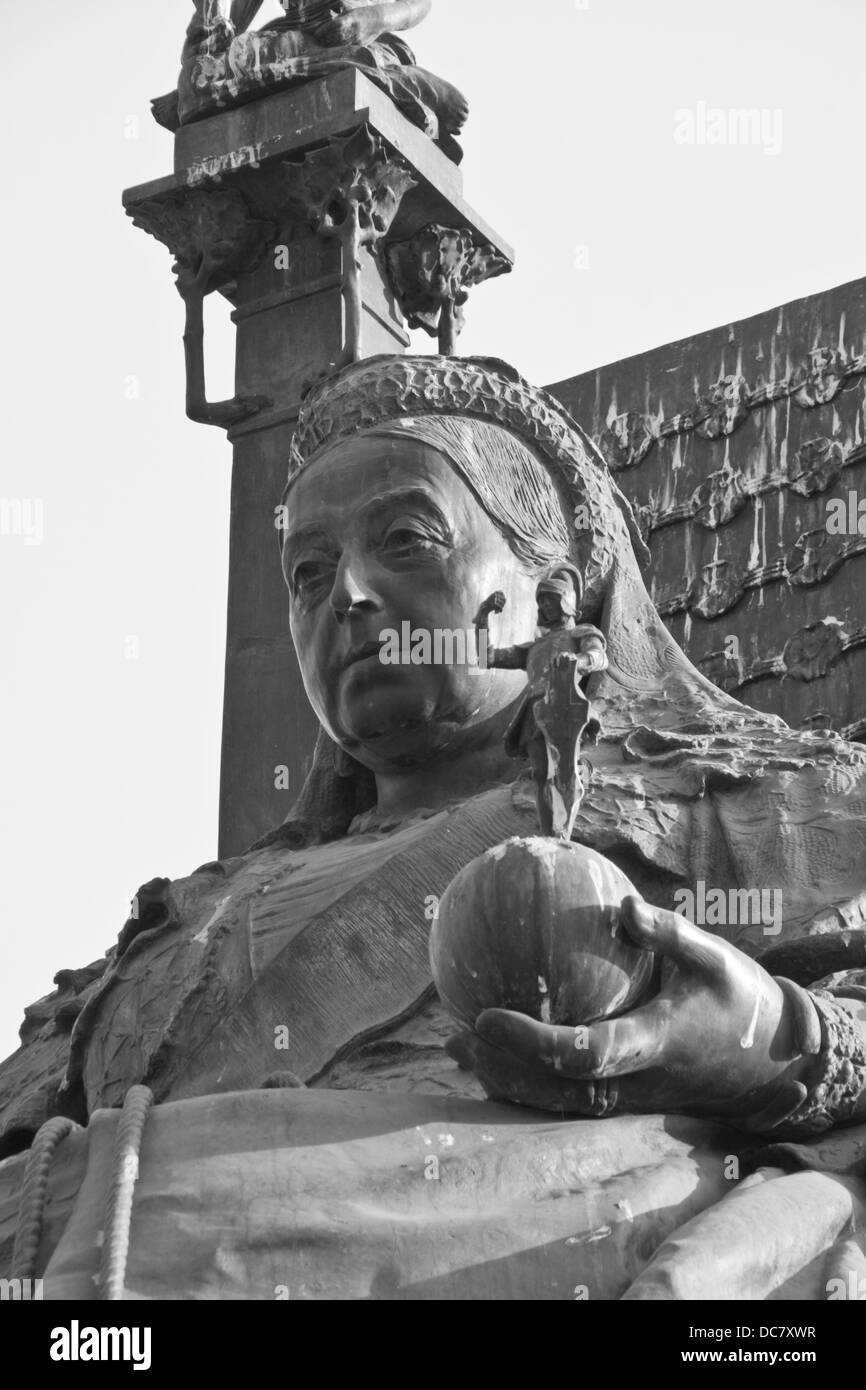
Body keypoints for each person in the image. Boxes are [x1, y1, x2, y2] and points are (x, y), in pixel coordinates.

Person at [2, 354, 866, 1300]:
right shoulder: (167, 932)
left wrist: (775, 1040)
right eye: (309, 571)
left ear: (554, 597)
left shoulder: (736, 811)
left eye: (405, 542)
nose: (350, 597)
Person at [170, 0, 469, 160]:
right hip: (289, 37)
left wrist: (372, 18)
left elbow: (419, 3)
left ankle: (410, 81)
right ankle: (376, 74)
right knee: (198, 80)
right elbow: (234, 25)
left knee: (359, 58)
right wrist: (213, 36)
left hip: (352, 25)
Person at [475, 565, 608, 836]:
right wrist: (482, 615)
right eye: (542, 603)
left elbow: (598, 656)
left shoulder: (580, 633)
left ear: (566, 603)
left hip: (565, 703)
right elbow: (485, 657)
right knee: (541, 775)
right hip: (535, 711)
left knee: (564, 771)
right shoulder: (532, 647)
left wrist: (577, 660)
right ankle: (549, 835)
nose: (546, 608)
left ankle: (564, 831)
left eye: (551, 601)